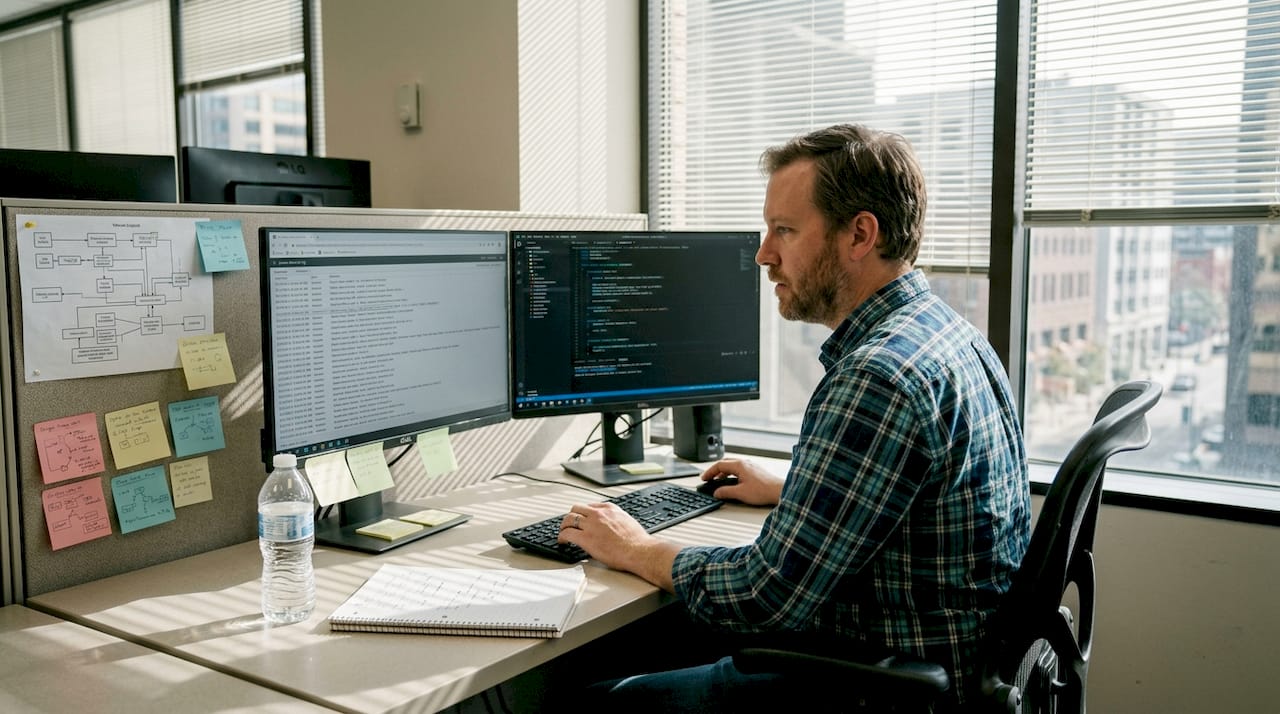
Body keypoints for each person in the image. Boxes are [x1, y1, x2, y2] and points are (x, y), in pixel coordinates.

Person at [558, 123, 1031, 711]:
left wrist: (636, 548)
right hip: (951, 659)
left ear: (859, 235)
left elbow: (764, 596)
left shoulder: (877, 376)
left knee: (590, 700)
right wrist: (794, 490)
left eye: (784, 229)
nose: (764, 253)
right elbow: (920, 500)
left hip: (879, 689)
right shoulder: (946, 333)